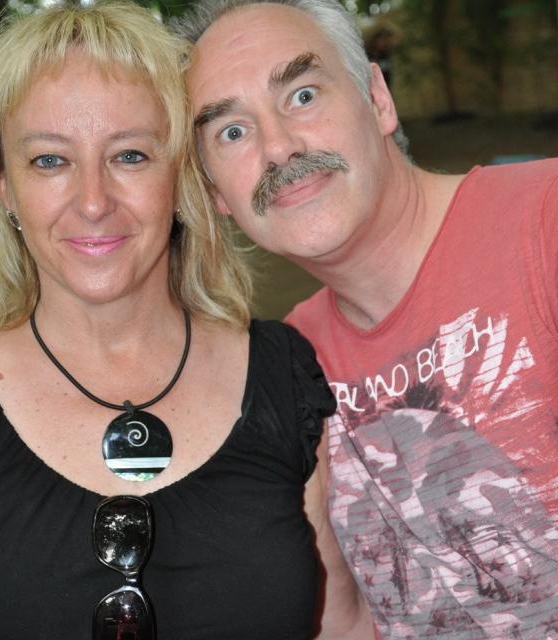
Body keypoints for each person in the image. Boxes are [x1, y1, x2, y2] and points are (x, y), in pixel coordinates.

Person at [0, 2, 361, 639]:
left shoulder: (283, 374)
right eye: (49, 161)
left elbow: (341, 625)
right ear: (3, 186)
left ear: (180, 177)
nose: (93, 201)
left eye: (130, 155)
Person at [174, 1, 558, 638]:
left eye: (302, 96)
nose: (278, 147)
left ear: (378, 100)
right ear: (215, 192)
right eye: (232, 132)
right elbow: (341, 617)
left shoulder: (543, 225)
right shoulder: (285, 369)